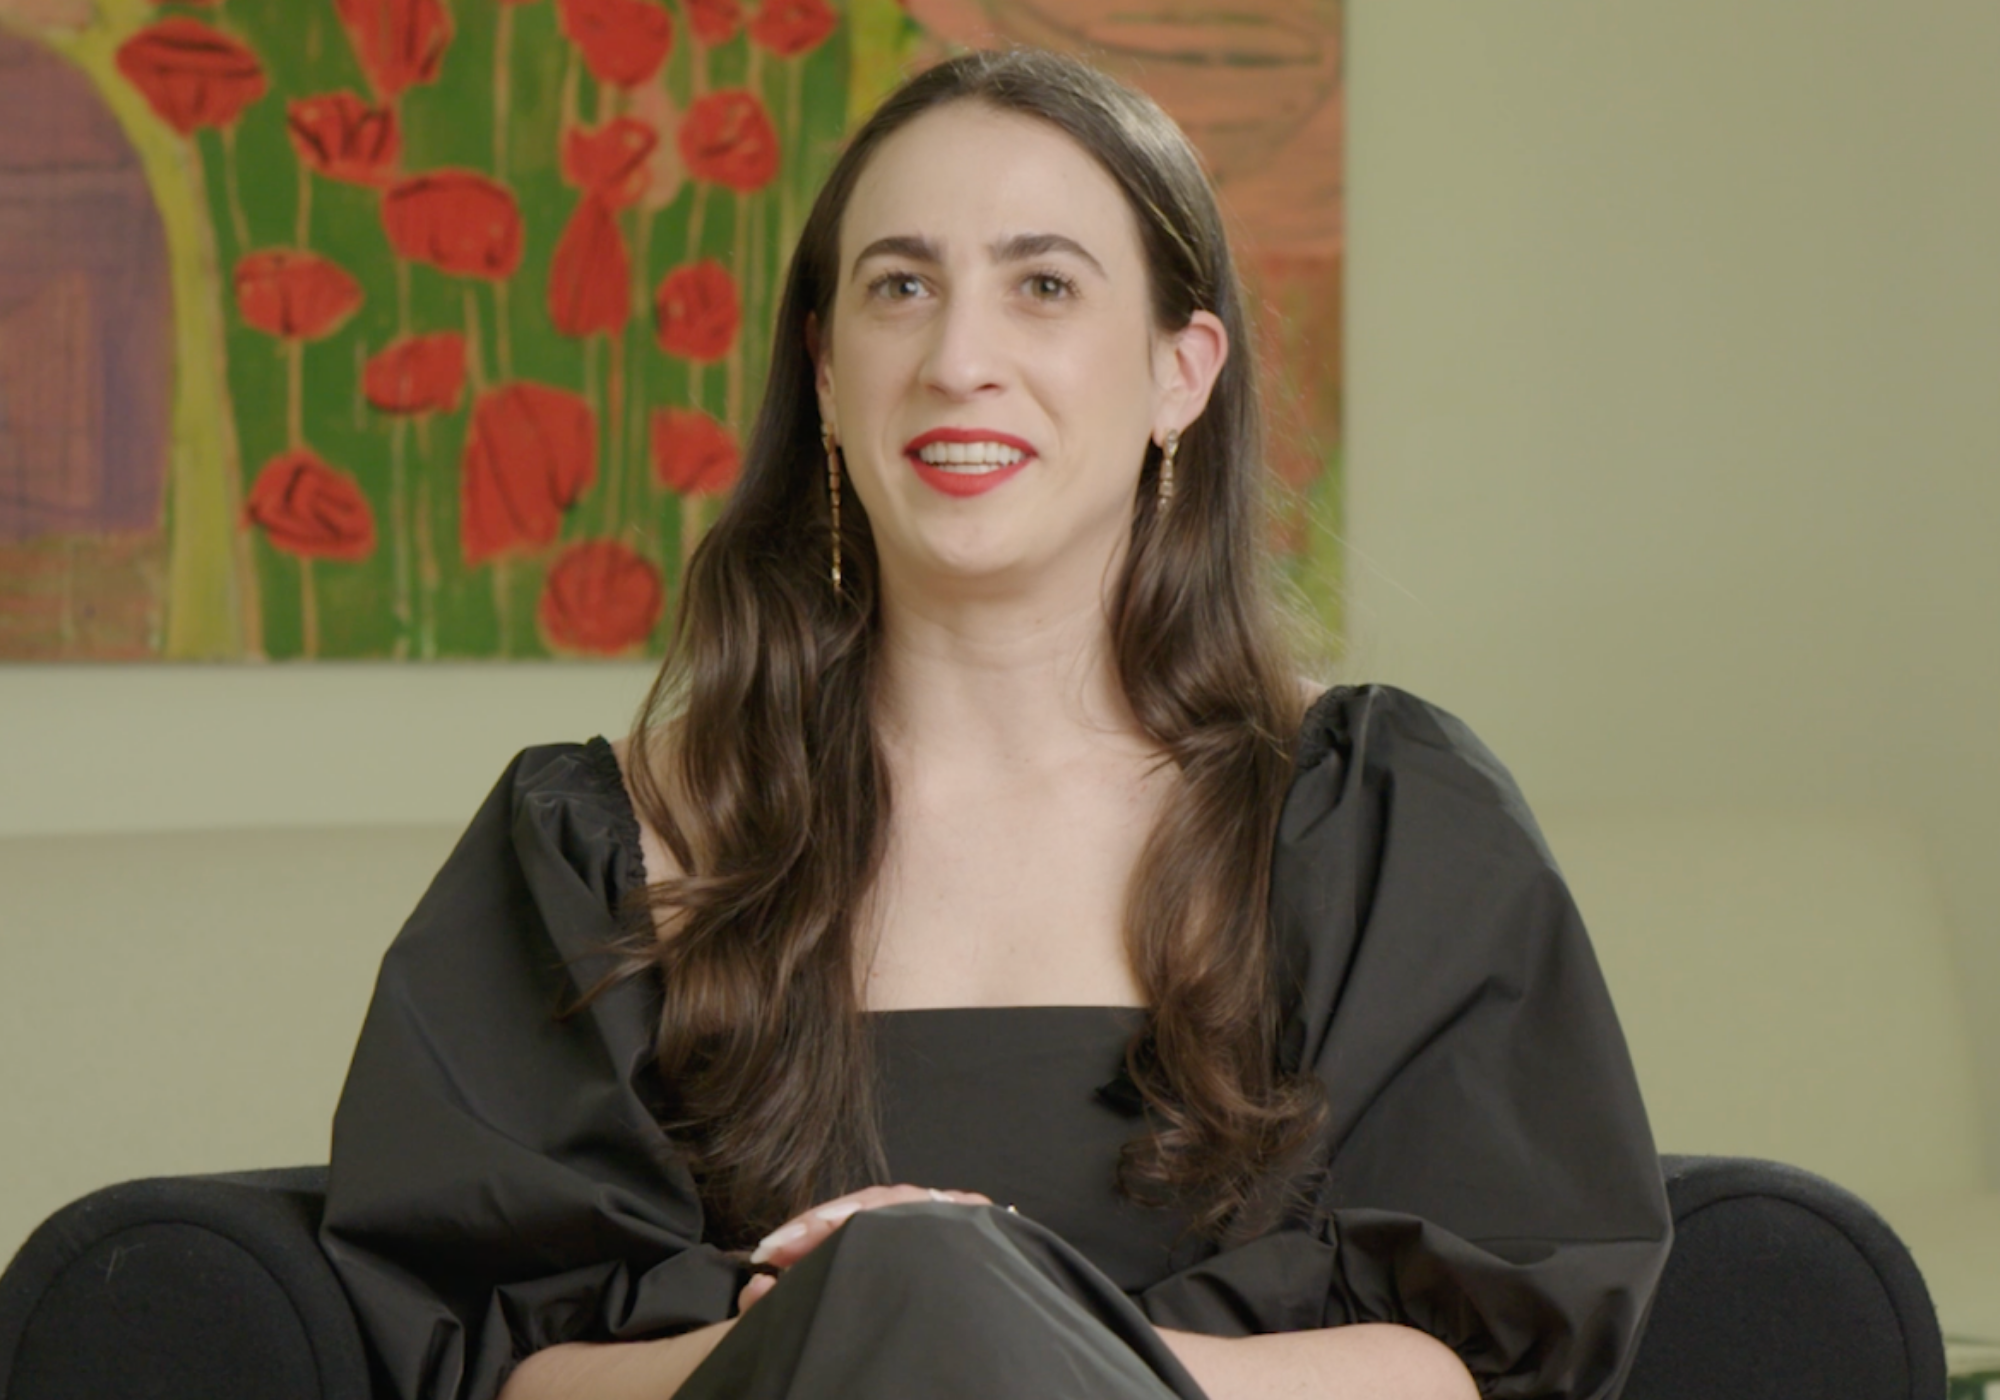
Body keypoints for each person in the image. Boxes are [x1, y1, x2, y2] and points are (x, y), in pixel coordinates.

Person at [319, 47, 1672, 1400]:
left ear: (1179, 372)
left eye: (1043, 286)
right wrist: (869, 1309)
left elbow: (1479, 1367)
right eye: (900, 288)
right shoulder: (600, 843)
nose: (960, 358)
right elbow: (491, 1372)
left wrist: (999, 1310)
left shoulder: (1385, 820)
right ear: (828, 371)